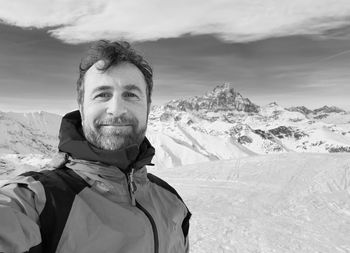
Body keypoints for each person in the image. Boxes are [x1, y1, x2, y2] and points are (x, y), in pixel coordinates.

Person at [0, 40, 191, 253]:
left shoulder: (172, 203)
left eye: (131, 94)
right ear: (81, 107)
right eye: (102, 94)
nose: (116, 109)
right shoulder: (38, 201)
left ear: (148, 107)